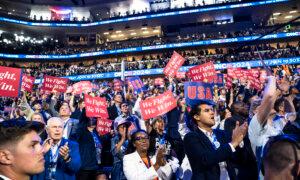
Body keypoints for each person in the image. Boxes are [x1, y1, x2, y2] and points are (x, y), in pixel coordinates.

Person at [184, 100, 248, 180]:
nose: (212, 113)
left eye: (211, 110)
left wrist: (240, 140)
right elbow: (205, 159)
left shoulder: (221, 133)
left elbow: (237, 157)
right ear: (197, 117)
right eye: (206, 111)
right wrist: (233, 144)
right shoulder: (191, 137)